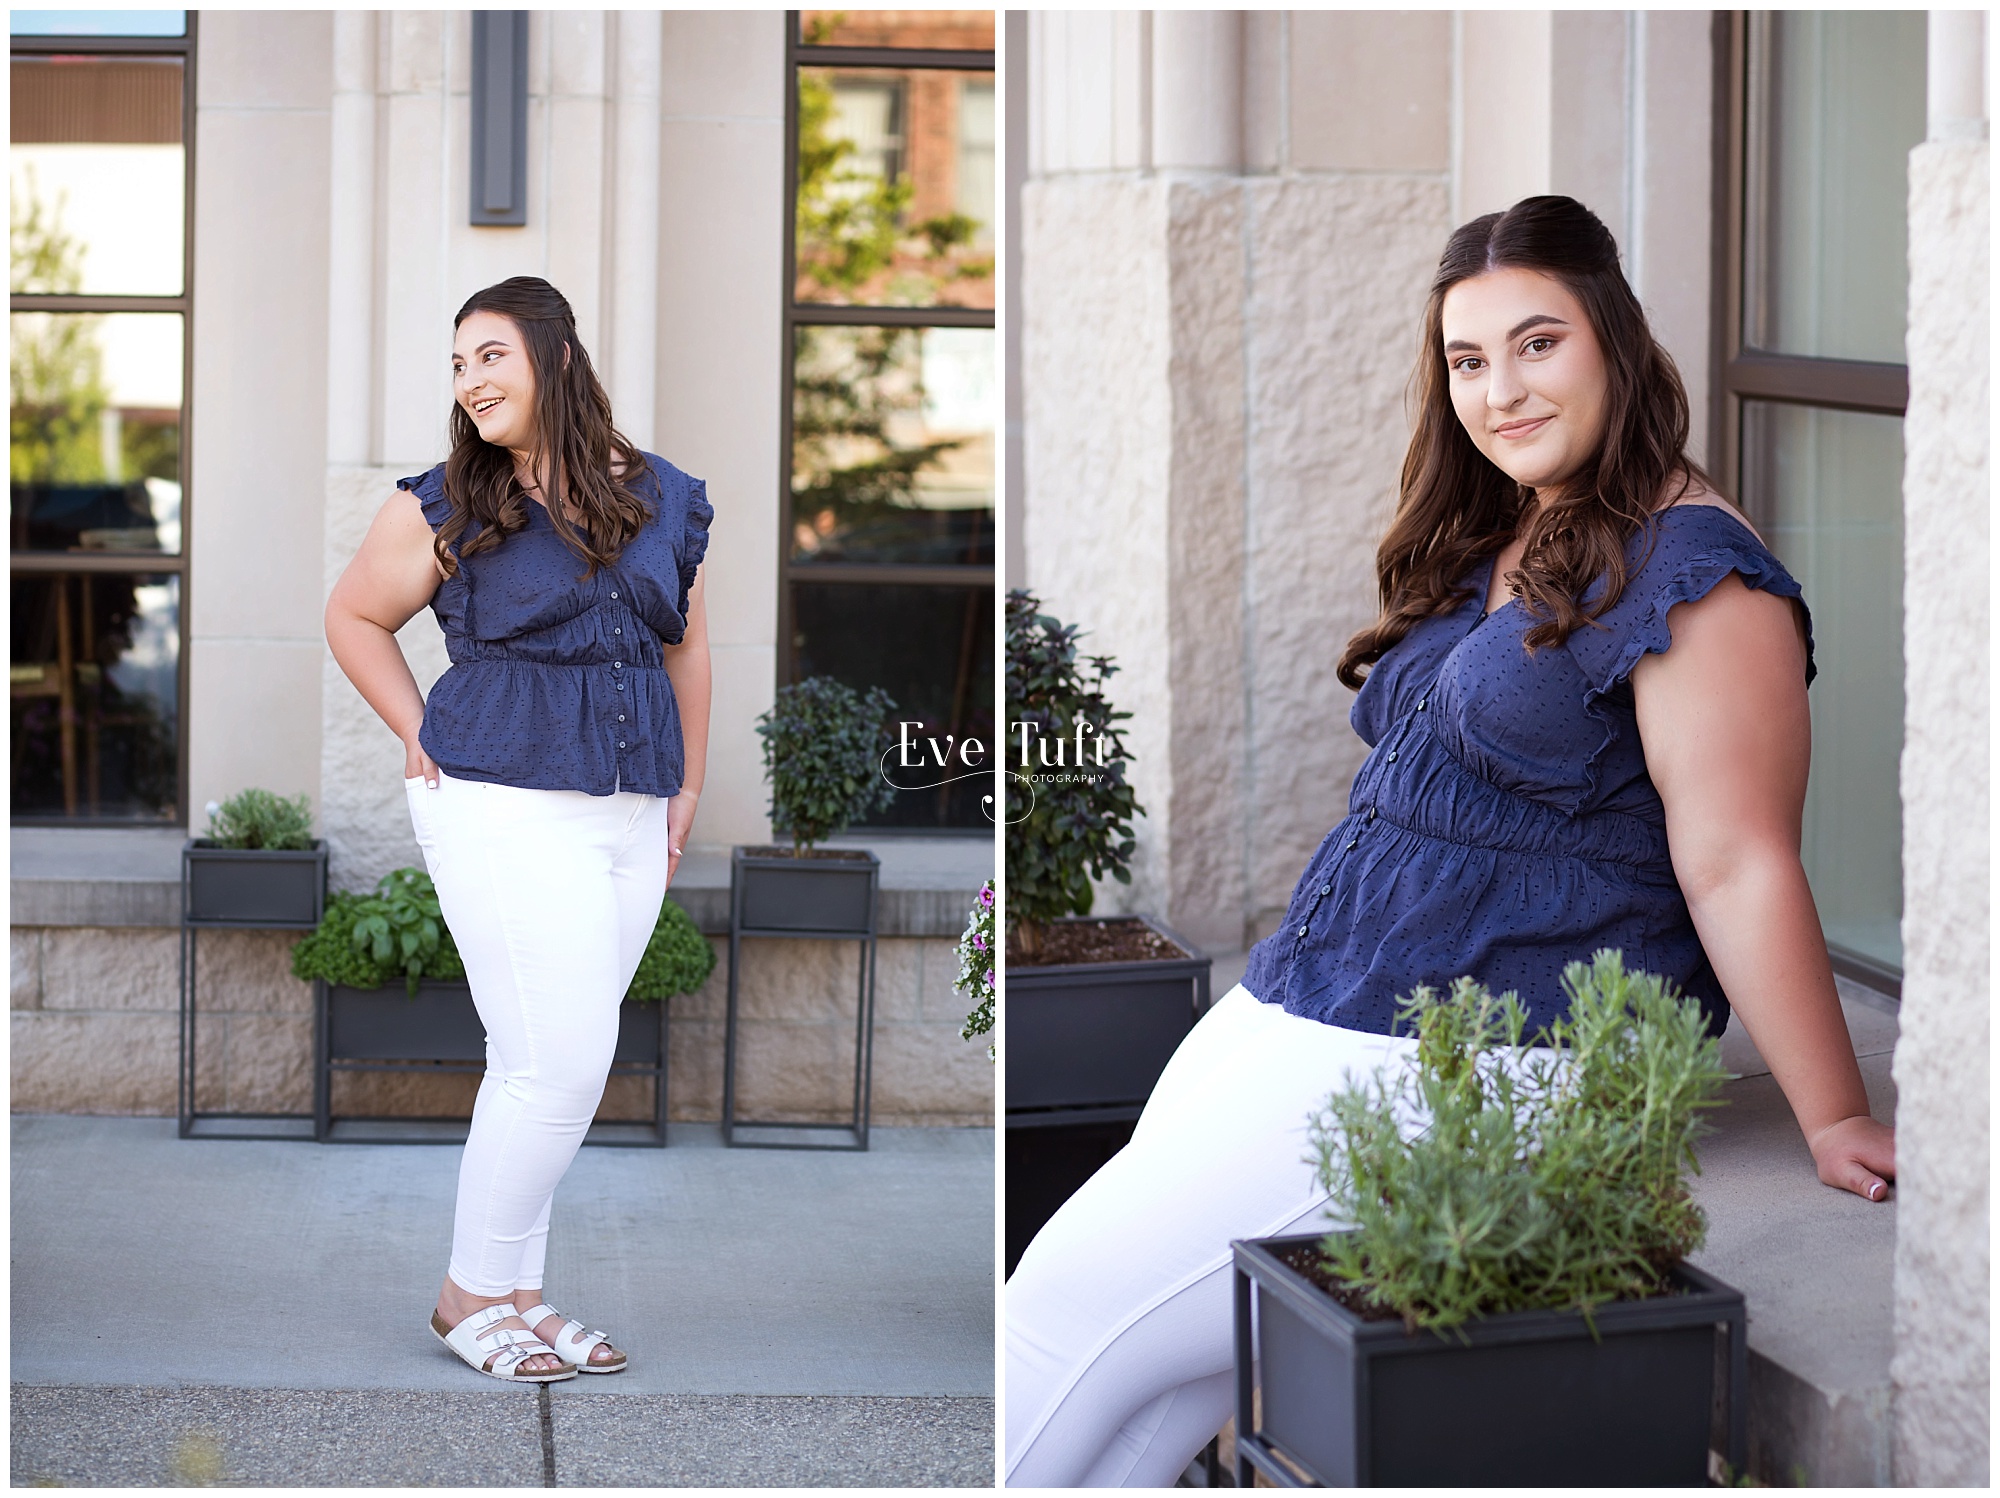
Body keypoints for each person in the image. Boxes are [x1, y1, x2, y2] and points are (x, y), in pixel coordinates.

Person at [1003, 196, 1897, 1485]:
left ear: (1617, 342)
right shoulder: (1520, 520)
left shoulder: (1697, 571)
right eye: (1466, 361)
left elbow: (1737, 856)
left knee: (1053, 1320)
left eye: (1537, 344)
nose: (1498, 391)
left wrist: (1831, 1115)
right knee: (1158, 1387)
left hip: (1467, 1052)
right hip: (1309, 1004)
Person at [326, 276, 712, 1382]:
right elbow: (351, 615)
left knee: (547, 1062)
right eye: (457, 364)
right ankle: (465, 1295)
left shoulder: (663, 495)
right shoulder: (447, 499)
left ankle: (520, 1292)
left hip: (631, 801)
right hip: (495, 792)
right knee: (559, 1060)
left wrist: (686, 784)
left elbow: (683, 641)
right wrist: (412, 726)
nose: (470, 380)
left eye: (490, 354)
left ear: (555, 357)